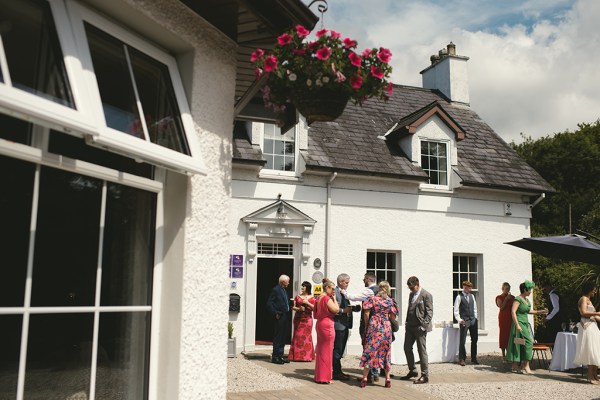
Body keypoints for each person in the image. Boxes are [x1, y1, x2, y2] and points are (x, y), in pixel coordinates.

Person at [359, 280, 398, 388]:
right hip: (386, 327)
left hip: (374, 326)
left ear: (379, 289)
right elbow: (393, 317)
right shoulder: (390, 301)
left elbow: (366, 314)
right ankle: (387, 379)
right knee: (385, 352)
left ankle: (365, 378)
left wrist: (367, 325)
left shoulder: (373, 299)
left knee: (370, 351)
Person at [505, 280, 548, 374]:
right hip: (519, 323)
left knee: (520, 343)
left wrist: (540, 312)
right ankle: (526, 366)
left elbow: (528, 311)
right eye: (529, 290)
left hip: (525, 323)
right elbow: (513, 312)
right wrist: (517, 325)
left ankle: (515, 365)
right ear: (524, 290)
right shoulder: (518, 299)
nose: (530, 291)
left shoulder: (526, 300)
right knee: (528, 342)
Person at [343, 272, 379, 382]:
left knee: (368, 348)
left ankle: (370, 375)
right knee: (375, 349)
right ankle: (375, 372)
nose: (363, 281)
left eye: (364, 279)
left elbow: (354, 297)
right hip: (379, 324)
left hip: (369, 323)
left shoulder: (369, 291)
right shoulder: (380, 290)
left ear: (368, 279)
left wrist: (344, 292)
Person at [401, 276, 433, 384]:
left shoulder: (426, 295)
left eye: (412, 288)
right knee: (407, 348)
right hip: (410, 326)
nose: (410, 290)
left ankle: (425, 375)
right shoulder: (411, 294)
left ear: (417, 285)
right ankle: (413, 370)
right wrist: (406, 322)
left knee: (421, 351)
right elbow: (410, 309)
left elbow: (429, 313)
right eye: (409, 288)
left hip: (420, 327)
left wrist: (423, 326)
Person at [573, 281, 600, 384]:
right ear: (589, 289)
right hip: (587, 327)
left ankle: (594, 375)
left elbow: (593, 316)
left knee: (596, 349)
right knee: (590, 350)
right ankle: (590, 376)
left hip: (592, 326)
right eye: (594, 289)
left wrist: (597, 315)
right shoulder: (584, 299)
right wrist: (597, 312)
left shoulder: (589, 300)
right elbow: (584, 312)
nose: (595, 292)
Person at [314, 278, 339, 384]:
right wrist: (335, 299)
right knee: (327, 351)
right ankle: (325, 377)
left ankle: (319, 376)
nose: (333, 291)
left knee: (320, 350)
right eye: (332, 289)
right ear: (327, 287)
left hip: (320, 323)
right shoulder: (326, 298)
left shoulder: (318, 297)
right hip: (327, 325)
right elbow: (336, 310)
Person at [266, 274, 291, 364]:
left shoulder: (284, 290)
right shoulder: (275, 290)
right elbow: (269, 303)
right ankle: (275, 357)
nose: (289, 283)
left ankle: (280, 355)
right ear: (283, 281)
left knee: (283, 336)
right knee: (278, 337)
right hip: (279, 315)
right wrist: (275, 313)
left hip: (285, 315)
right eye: (288, 281)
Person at [332, 273, 353, 380]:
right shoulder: (335, 292)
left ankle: (338, 370)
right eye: (346, 282)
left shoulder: (343, 292)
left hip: (344, 325)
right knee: (337, 349)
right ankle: (336, 372)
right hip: (338, 325)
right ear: (340, 282)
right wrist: (344, 311)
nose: (348, 284)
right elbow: (333, 309)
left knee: (340, 349)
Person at [288, 281, 316, 361]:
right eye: (302, 287)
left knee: (307, 336)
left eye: (304, 287)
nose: (302, 288)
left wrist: (307, 303)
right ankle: (296, 356)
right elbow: (293, 307)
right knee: (297, 336)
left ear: (307, 288)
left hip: (308, 319)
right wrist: (299, 309)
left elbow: (315, 308)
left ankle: (307, 357)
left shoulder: (312, 298)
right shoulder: (298, 297)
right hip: (298, 318)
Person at [454, 280, 479, 366]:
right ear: (465, 288)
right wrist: (460, 320)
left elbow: (475, 308)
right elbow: (456, 311)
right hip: (464, 320)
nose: (471, 289)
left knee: (474, 339)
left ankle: (474, 358)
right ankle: (462, 358)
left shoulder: (472, 296)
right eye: (469, 288)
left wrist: (475, 318)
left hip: (473, 320)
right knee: (462, 340)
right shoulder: (459, 297)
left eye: (471, 287)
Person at [495, 282, 515, 358]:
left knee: (511, 334)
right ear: (502, 289)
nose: (507, 290)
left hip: (511, 317)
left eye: (508, 288)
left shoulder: (512, 297)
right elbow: (501, 307)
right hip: (503, 317)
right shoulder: (499, 297)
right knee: (504, 334)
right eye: (506, 288)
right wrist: (506, 300)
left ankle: (510, 354)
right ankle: (504, 355)